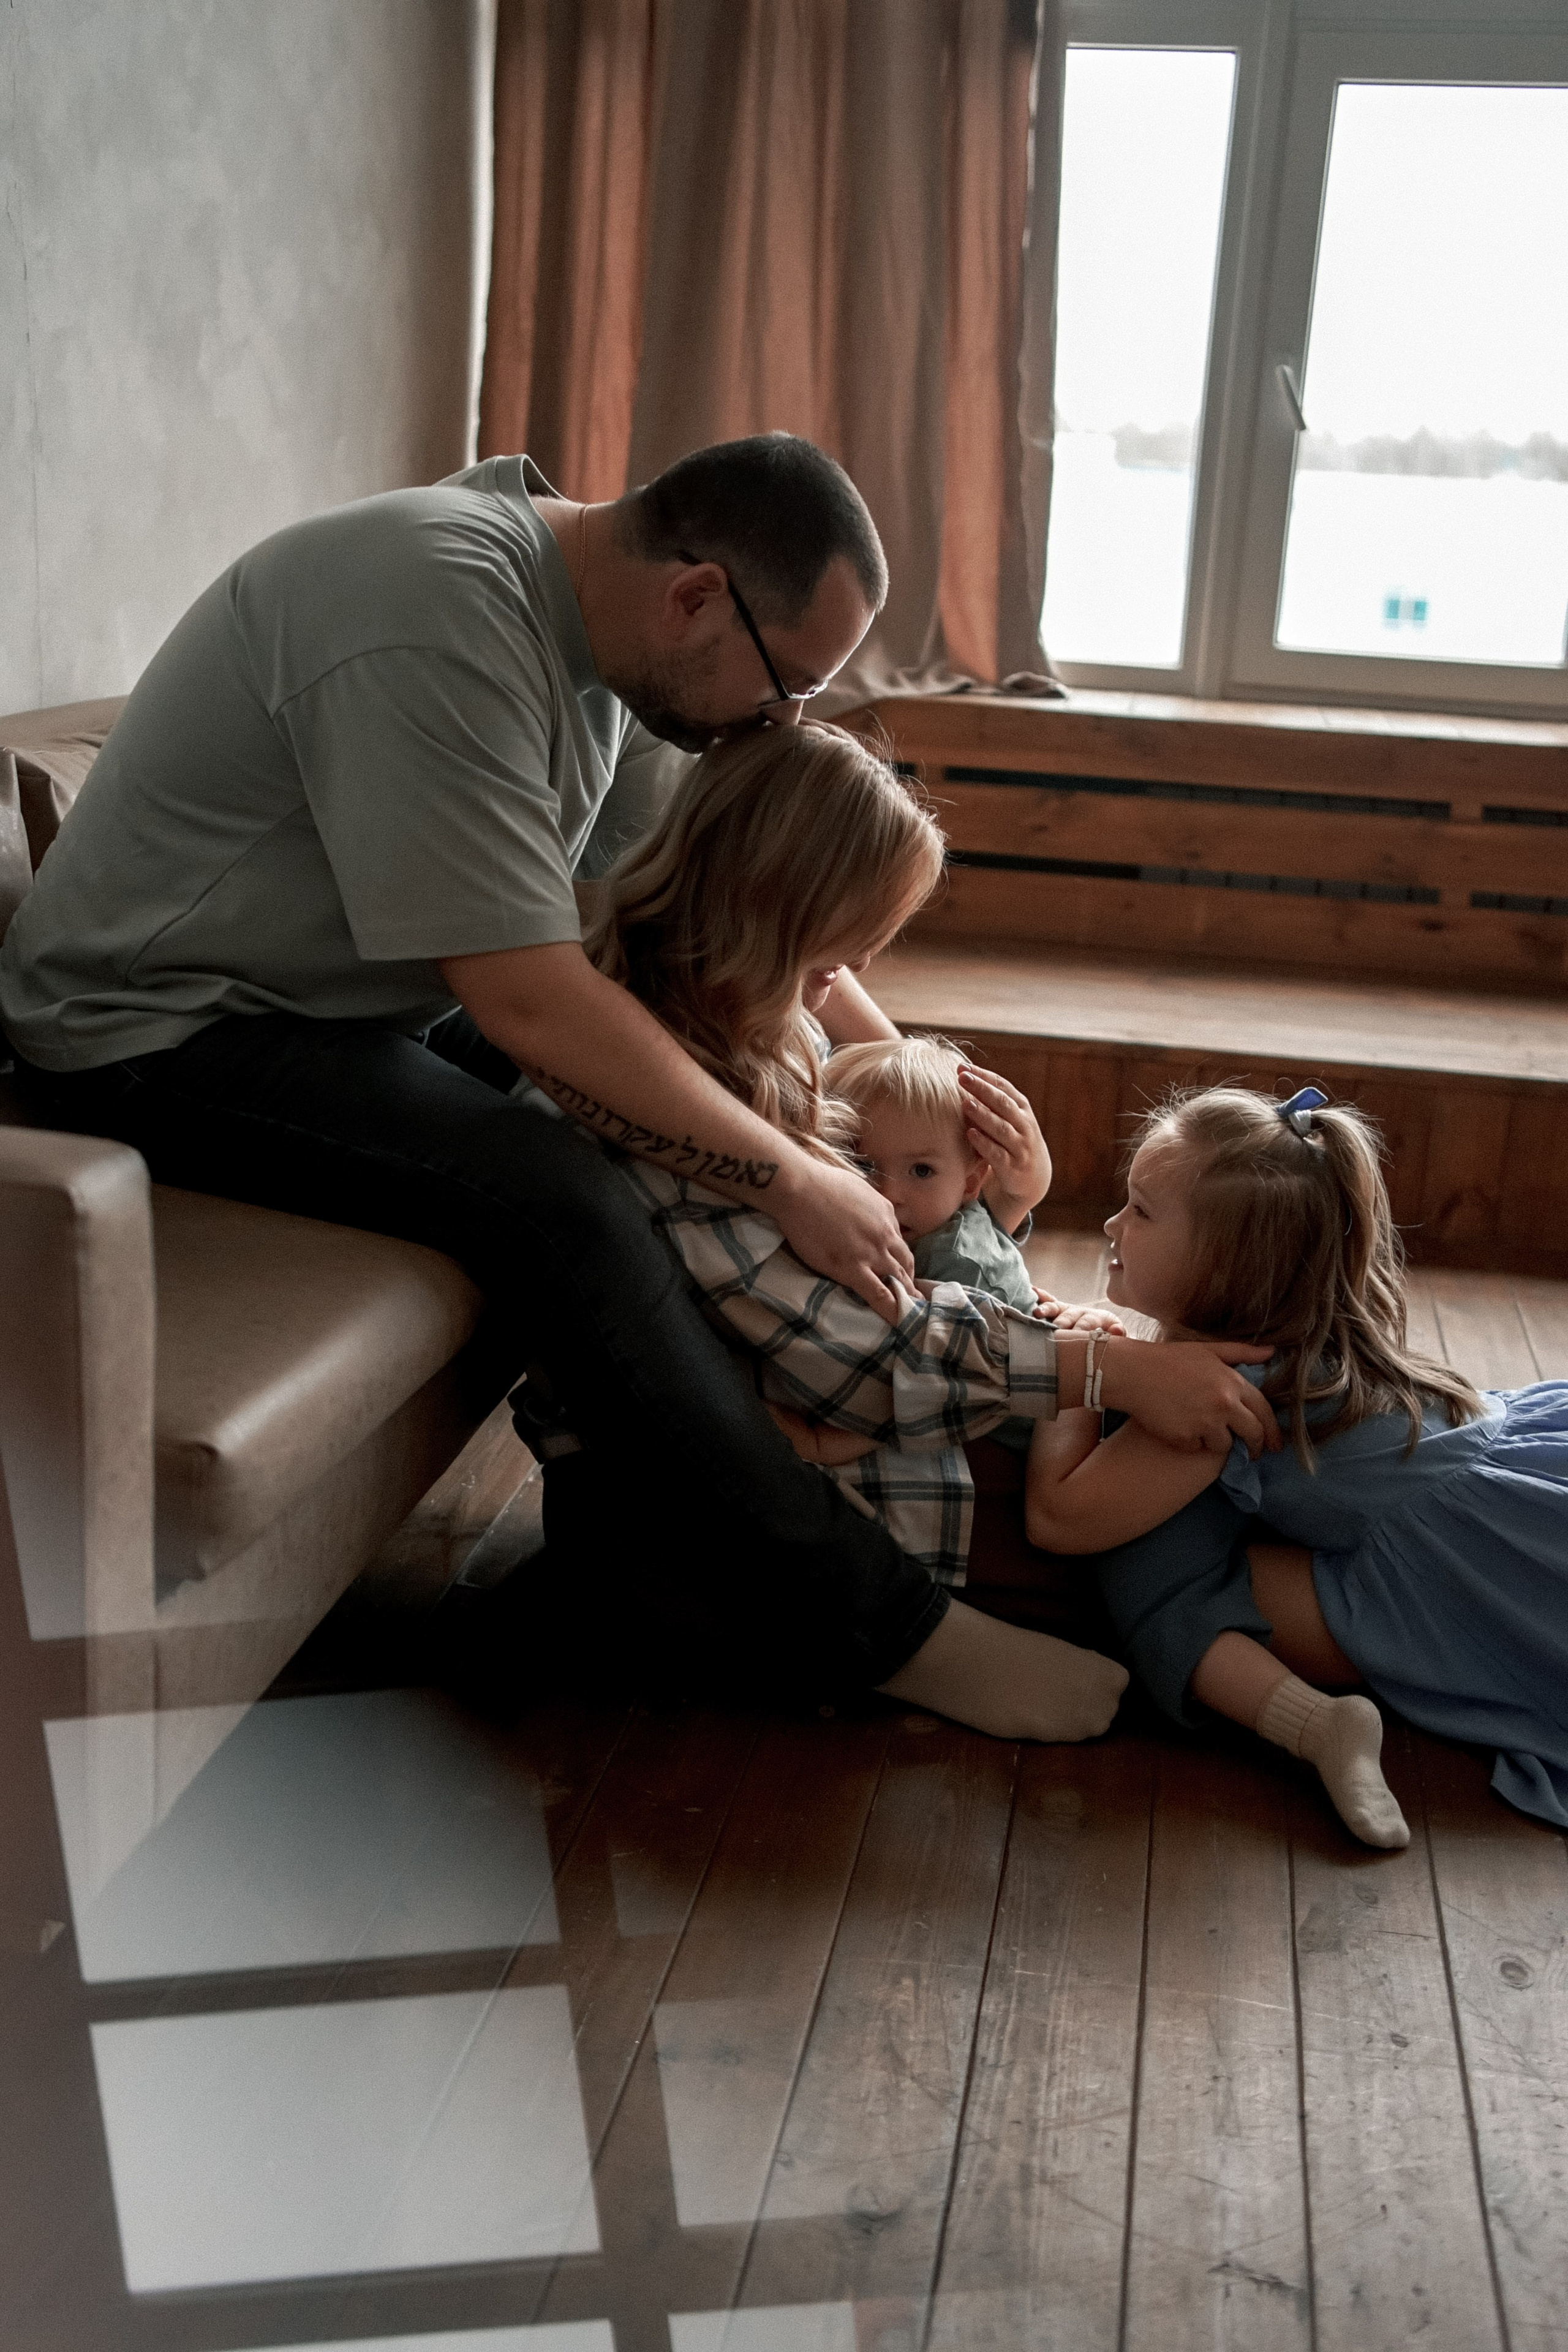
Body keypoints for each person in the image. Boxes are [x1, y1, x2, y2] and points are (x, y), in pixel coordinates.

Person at [0, 430, 1277, 1716]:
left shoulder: (620, 648)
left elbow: (714, 939)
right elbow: (529, 998)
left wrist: (906, 1091)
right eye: (787, 689)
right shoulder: (433, 614)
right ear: (698, 596)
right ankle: (882, 1620)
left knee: (701, 1096)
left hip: (358, 1004)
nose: (780, 725)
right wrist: (790, 1178)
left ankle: (832, 1409)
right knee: (560, 1189)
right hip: (151, 1031)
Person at [551, 725, 1282, 1740]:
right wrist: (1104, 1373)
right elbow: (852, 1357)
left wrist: (1004, 1213)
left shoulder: (749, 1017)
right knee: (1204, 1545)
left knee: (1212, 1476)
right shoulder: (657, 1097)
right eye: (844, 943)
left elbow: (879, 1263)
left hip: (875, 1404)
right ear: (768, 908)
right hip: (747, 1501)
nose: (856, 971)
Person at [1023, 1084, 1568, 1843]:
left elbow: (1058, 1518)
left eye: (1140, 1211)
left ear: (1227, 1265)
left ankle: (1305, 1721)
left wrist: (1084, 1368)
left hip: (1495, 1563)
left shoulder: (1222, 1390)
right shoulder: (1303, 1331)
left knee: (1137, 1545)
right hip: (1517, 1465)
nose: (1112, 1224)